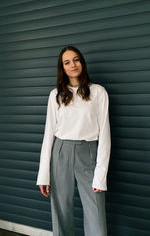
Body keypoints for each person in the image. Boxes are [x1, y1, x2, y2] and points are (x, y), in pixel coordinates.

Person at [36, 45, 111, 236]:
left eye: (76, 59)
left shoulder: (98, 92)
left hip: (89, 152)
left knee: (95, 211)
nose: (73, 65)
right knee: (61, 211)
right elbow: (48, 135)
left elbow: (105, 134)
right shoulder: (56, 95)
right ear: (62, 68)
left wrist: (101, 176)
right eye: (67, 62)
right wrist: (43, 175)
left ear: (82, 62)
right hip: (60, 152)